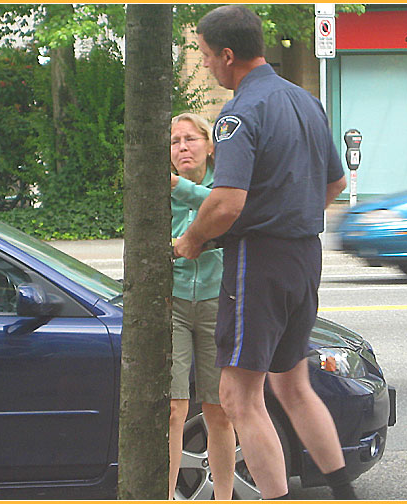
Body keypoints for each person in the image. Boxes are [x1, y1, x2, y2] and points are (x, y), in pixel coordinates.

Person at [174, 6, 355, 501]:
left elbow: (227, 203)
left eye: (208, 57)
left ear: (228, 55)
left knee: (237, 395)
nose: (208, 66)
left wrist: (191, 241)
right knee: (293, 386)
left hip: (259, 262)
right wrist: (291, 214)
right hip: (304, 257)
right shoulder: (306, 102)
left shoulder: (239, 114)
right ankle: (344, 493)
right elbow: (336, 182)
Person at [169, 112, 236, 500]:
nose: (182, 148)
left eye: (190, 140)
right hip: (175, 303)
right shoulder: (161, 191)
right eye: (175, 142)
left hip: (215, 303)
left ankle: (223, 497)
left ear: (209, 147)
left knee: (218, 410)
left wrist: (180, 188)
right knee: (175, 409)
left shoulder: (222, 186)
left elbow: (224, 209)